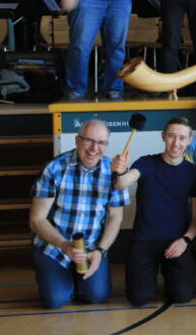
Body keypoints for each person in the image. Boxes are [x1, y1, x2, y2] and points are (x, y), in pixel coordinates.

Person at [29, 120, 129, 308]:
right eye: (89, 141)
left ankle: (75, 279)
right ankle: (61, 279)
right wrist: (65, 245)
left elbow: (116, 218)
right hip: (55, 247)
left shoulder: (114, 173)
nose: (94, 148)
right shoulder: (54, 168)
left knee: (96, 296)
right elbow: (37, 219)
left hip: (91, 249)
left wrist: (100, 251)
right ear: (77, 140)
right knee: (55, 301)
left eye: (101, 143)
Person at [110, 117, 196, 306]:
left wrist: (185, 240)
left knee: (182, 296)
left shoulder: (194, 173)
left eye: (182, 138)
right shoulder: (146, 163)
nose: (176, 143)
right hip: (144, 241)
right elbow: (122, 183)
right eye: (171, 136)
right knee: (139, 298)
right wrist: (120, 171)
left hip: (177, 242)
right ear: (163, 137)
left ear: (189, 140)